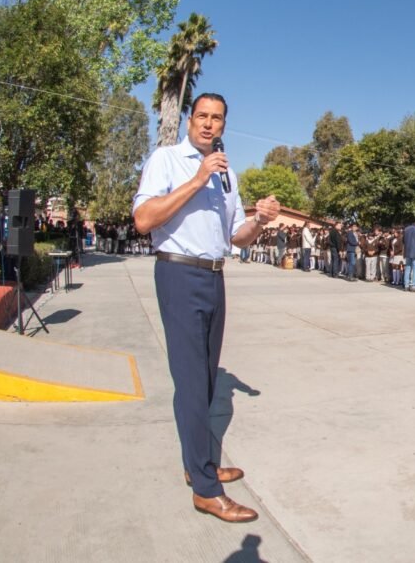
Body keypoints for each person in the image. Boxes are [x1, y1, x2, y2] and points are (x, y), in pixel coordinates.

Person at [133, 93, 280, 523]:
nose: (209, 125)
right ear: (189, 120)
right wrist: (197, 179)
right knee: (191, 382)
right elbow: (144, 219)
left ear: (224, 126)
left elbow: (236, 235)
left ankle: (197, 463)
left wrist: (260, 220)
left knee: (208, 381)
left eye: (217, 119)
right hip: (179, 274)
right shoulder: (167, 159)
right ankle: (205, 489)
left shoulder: (227, 173)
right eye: (202, 116)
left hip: (215, 276)